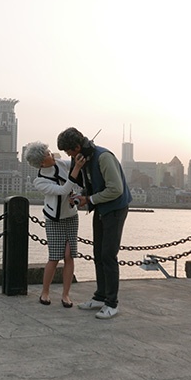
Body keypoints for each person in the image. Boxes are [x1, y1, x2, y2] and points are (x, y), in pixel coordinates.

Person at [56, 127, 132, 319]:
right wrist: (82, 195)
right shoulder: (83, 159)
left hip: (115, 209)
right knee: (98, 252)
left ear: (77, 146)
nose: (69, 155)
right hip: (101, 208)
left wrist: (89, 200)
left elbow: (116, 189)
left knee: (108, 254)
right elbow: (89, 186)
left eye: (69, 152)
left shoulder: (103, 157)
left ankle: (112, 303)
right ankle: (100, 296)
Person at [24, 141, 86, 308]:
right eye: (47, 154)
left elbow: (72, 164)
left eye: (49, 151)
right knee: (54, 257)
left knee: (69, 255)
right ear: (42, 162)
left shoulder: (59, 163)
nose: (51, 154)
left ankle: (66, 294)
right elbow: (63, 190)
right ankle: (45, 291)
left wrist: (80, 157)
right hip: (54, 220)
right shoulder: (40, 181)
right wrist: (77, 169)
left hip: (71, 216)